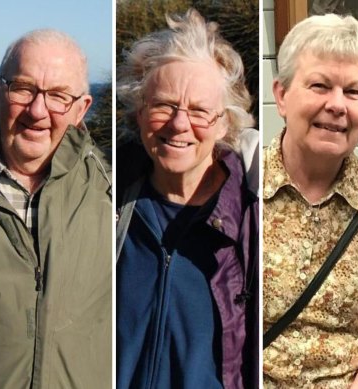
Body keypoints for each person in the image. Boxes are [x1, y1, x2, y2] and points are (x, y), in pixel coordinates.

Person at [115, 9, 258, 389]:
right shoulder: (105, 205)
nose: (179, 124)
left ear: (225, 122)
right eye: (164, 105)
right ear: (140, 110)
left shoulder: (253, 220)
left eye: (199, 111)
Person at [263, 13, 358, 388]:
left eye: (353, 92)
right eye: (320, 85)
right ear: (281, 95)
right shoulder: (240, 187)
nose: (338, 105)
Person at [0, 30, 112, 388]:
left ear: (81, 110)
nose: (37, 110)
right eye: (22, 88)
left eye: (58, 96)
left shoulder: (114, 195)